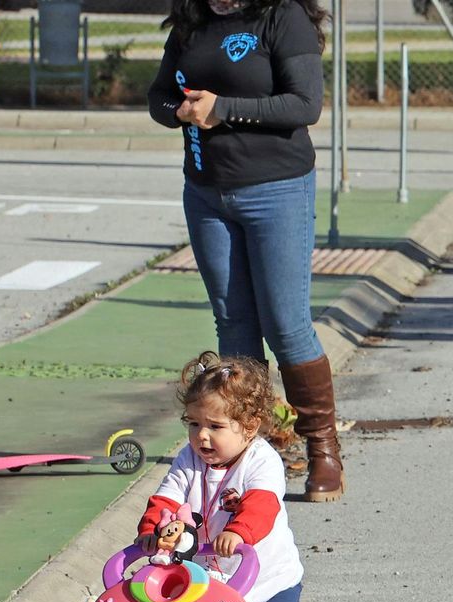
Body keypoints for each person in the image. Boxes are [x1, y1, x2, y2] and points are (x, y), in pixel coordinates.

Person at [148, 0, 347, 502]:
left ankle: (323, 450)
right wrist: (178, 111)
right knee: (234, 323)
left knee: (285, 323)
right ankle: (251, 460)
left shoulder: (281, 17)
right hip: (207, 192)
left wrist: (223, 108)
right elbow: (157, 95)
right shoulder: (193, 20)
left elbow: (305, 105)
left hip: (277, 188)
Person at [138, 352, 305, 602]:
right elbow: (167, 496)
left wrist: (237, 530)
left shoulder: (261, 461)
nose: (202, 436)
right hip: (216, 583)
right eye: (193, 423)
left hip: (269, 581)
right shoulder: (189, 459)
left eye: (215, 426)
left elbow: (263, 504)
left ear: (249, 427)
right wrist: (152, 531)